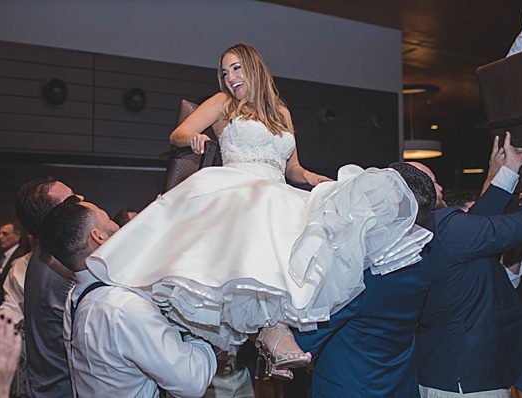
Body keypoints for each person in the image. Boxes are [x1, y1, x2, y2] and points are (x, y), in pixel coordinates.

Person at [88, 43, 431, 378]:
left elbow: (292, 168)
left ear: (253, 68)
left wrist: (313, 178)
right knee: (249, 264)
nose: (230, 77)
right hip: (239, 192)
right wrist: (191, 137)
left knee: (290, 267)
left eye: (236, 68)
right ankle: (268, 338)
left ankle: (275, 335)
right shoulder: (224, 104)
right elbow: (179, 132)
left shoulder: (281, 112)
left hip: (276, 192)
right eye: (224, 72)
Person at [290, 162, 443, 398]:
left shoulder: (363, 274)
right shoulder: (419, 262)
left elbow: (306, 341)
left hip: (351, 389)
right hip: (399, 385)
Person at [45, 196, 216, 397]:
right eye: (108, 218)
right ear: (98, 236)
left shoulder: (76, 296)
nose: (117, 226)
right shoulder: (123, 308)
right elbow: (192, 382)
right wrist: (200, 331)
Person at [414, 134, 522, 397]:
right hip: (468, 382)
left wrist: (510, 168)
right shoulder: (447, 229)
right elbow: (517, 227)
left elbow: (480, 220)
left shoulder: (423, 229)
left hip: (442, 371)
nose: (440, 186)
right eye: (431, 182)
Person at [16, 177, 81, 398]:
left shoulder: (43, 254)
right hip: (64, 389)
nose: (81, 199)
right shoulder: (67, 263)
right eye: (72, 199)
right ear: (56, 218)